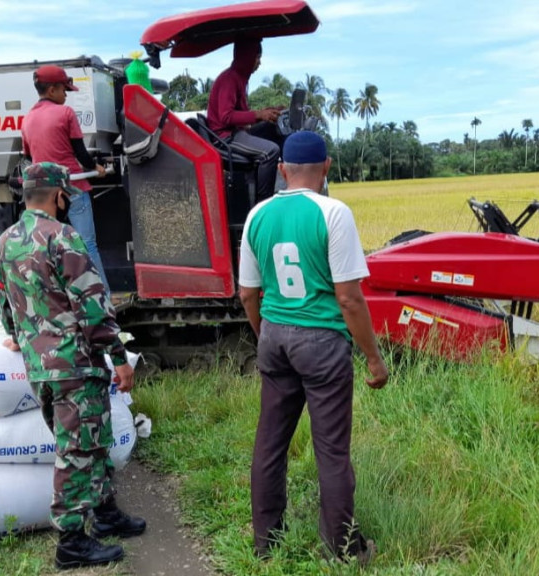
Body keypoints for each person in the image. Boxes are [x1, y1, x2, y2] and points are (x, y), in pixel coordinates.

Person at [237, 131, 388, 563]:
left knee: (270, 444)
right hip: (322, 343)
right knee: (332, 451)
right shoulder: (334, 212)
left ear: (282, 170)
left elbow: (248, 293)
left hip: (274, 336)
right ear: (327, 167)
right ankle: (341, 551)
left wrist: (265, 333)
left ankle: (267, 544)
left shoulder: (257, 216)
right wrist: (374, 358)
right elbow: (348, 297)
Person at [0, 162, 146, 569]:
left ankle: (106, 512)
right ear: (60, 196)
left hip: (40, 369)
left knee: (92, 441)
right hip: (74, 365)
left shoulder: (6, 242)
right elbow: (93, 306)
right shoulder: (63, 238)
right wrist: (119, 358)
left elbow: (7, 308)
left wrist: (24, 339)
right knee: (77, 450)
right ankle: (72, 542)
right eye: (66, 197)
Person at [21, 65, 112, 294]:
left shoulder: (27, 119)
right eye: (64, 90)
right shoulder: (66, 113)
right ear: (52, 90)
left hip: (45, 195)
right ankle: (102, 296)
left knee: (50, 246)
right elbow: (81, 153)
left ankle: (59, 295)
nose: (66, 94)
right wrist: (97, 168)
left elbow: (30, 157)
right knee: (86, 244)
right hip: (72, 187)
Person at [206, 37, 284, 199]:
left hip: (237, 133)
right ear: (246, 56)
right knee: (270, 151)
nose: (259, 63)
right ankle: (263, 203)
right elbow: (226, 117)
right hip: (225, 138)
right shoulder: (230, 79)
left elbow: (243, 115)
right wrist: (259, 114)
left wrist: (267, 113)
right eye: (257, 57)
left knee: (275, 129)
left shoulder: (240, 79)